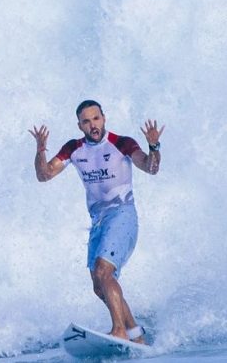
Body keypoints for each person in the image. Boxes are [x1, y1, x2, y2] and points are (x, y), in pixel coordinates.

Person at [29, 100, 163, 344]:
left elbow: (150, 167)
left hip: (122, 214)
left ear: (104, 118)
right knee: (99, 285)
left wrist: (154, 146)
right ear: (79, 125)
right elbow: (44, 175)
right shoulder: (74, 148)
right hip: (98, 221)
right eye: (86, 121)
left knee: (104, 271)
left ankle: (119, 330)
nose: (93, 125)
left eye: (96, 119)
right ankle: (135, 334)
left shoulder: (121, 143)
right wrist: (40, 150)